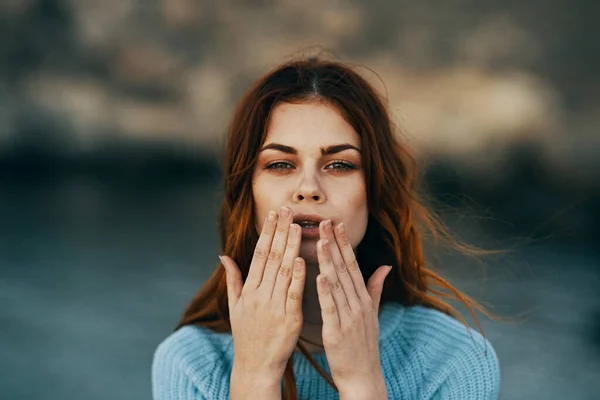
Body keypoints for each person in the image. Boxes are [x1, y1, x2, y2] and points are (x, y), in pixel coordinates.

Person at [151, 56, 500, 400]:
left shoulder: (457, 359)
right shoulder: (190, 364)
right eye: (280, 164)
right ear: (246, 192)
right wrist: (255, 377)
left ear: (375, 190)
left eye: (338, 164)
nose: (308, 188)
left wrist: (362, 382)